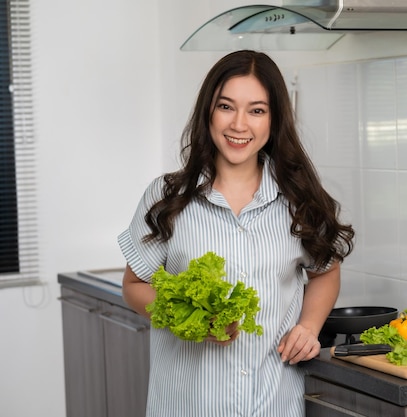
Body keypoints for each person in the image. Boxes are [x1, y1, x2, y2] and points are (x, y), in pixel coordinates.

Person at [118, 50, 355, 417]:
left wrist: (309, 327)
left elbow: (326, 269)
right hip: (187, 405)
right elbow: (134, 285)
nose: (239, 125)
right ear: (208, 113)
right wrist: (188, 320)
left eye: (257, 110)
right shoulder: (168, 197)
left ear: (274, 120)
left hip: (272, 403)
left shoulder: (299, 198)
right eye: (226, 106)